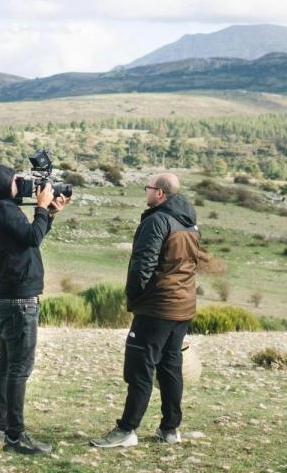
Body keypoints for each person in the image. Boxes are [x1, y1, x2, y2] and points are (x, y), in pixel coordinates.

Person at [91, 172, 199, 448]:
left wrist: (135, 298)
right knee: (170, 368)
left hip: (156, 308)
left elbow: (143, 265)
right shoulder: (190, 223)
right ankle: (170, 429)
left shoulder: (157, 221)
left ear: (160, 193)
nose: (146, 192)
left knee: (140, 369)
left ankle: (127, 430)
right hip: (182, 308)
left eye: (148, 188)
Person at [0, 164, 69, 455]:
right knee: (19, 368)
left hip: (10, 298)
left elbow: (30, 236)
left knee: (6, 364)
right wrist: (42, 207)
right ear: (4, 185)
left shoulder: (0, 208)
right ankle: (15, 437)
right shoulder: (4, 209)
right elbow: (33, 238)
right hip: (19, 300)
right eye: (15, 180)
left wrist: (49, 213)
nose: (21, 184)